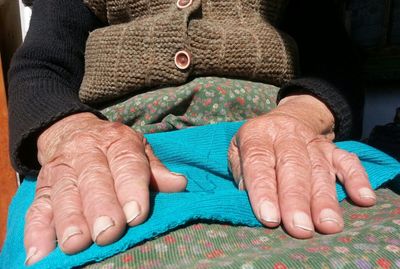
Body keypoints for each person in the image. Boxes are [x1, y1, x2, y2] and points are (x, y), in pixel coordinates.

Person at [8, 0, 376, 265]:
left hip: (279, 137)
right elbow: (41, 68)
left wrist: (300, 119)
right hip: (113, 148)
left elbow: (334, 59)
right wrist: (71, 136)